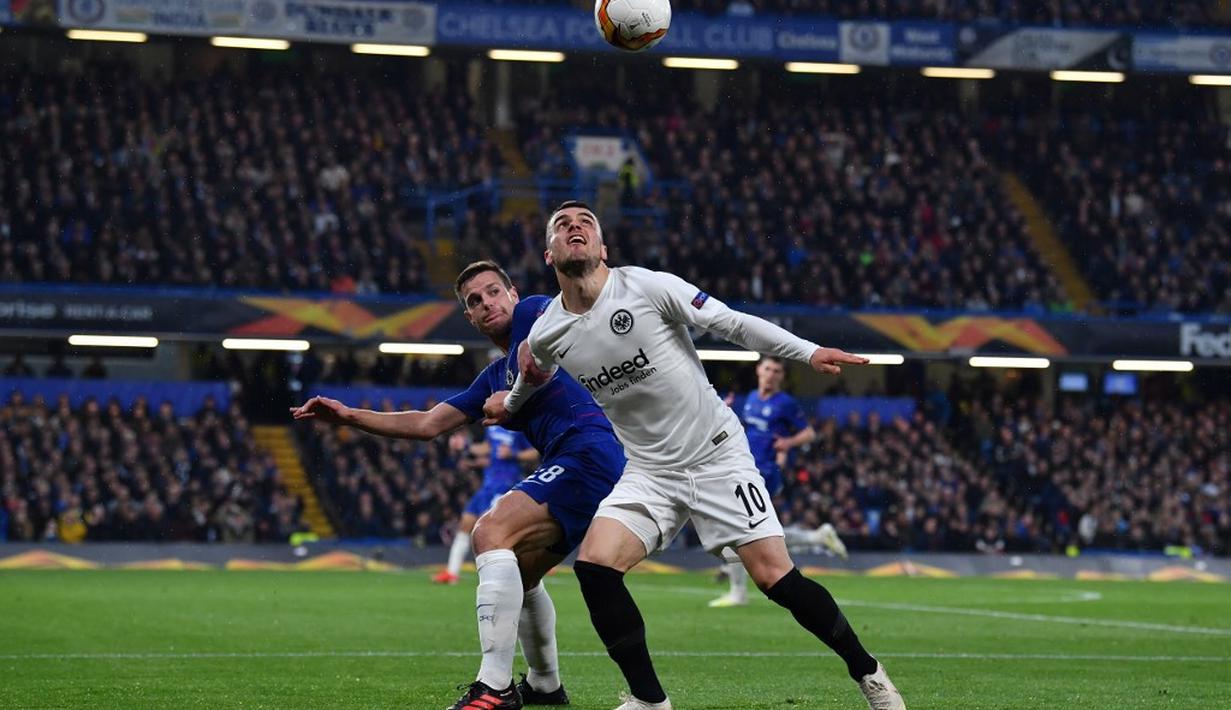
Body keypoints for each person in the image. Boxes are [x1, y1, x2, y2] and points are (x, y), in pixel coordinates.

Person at [485, 202, 904, 710]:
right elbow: (532, 378)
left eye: (586, 223)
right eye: (562, 226)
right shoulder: (548, 330)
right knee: (594, 568)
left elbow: (733, 324)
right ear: (549, 254)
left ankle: (870, 675)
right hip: (649, 472)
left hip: (717, 457)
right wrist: (508, 407)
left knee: (776, 578)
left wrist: (808, 351)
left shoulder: (648, 287)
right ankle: (649, 701)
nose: (575, 228)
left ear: (603, 248)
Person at [291, 260, 625, 710]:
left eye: (492, 292)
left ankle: (495, 688)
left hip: (590, 450)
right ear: (469, 318)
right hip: (582, 459)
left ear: (512, 293)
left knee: (490, 531)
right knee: (522, 573)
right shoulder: (491, 375)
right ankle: (545, 685)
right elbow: (429, 423)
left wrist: (509, 401)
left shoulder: (533, 313)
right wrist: (350, 415)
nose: (486, 303)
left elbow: (532, 361)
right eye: (474, 301)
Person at [710, 355, 848, 608]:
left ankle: (738, 588)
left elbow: (808, 433)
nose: (771, 374)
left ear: (781, 377)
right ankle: (816, 538)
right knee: (747, 529)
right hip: (744, 467)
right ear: (758, 370)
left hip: (766, 472)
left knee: (741, 528)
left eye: (777, 371)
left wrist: (788, 443)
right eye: (768, 369)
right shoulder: (751, 399)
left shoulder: (785, 403)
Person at [433, 424, 538, 585]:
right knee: (466, 524)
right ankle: (452, 573)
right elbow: (488, 448)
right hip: (488, 485)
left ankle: (524, 565)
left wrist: (513, 454)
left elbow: (535, 453)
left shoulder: (520, 426)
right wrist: (465, 446)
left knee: (494, 529)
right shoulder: (493, 427)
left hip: (506, 484)